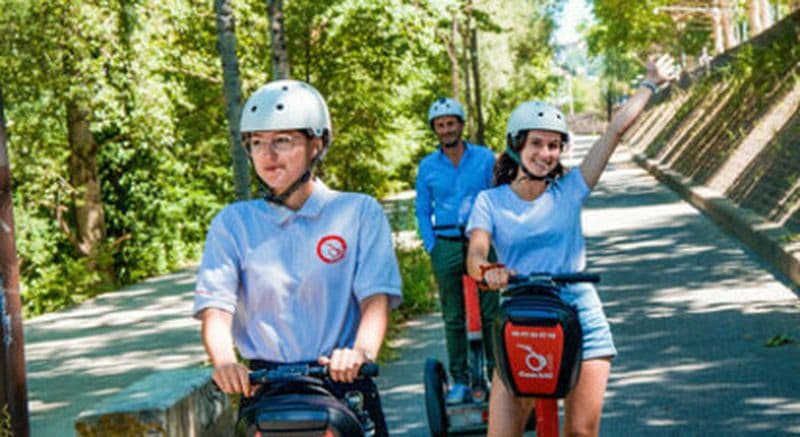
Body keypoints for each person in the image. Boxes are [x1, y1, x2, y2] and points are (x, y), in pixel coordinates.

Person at [465, 55, 678, 436]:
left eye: (554, 146)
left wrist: (650, 83)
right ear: (516, 145)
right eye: (536, 144)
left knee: (581, 433)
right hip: (520, 316)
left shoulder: (570, 190)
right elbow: (476, 253)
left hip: (578, 312)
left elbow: (613, 133)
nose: (546, 154)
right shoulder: (491, 201)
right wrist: (488, 270)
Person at [193, 79, 402, 436]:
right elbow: (216, 308)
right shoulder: (233, 222)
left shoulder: (357, 212)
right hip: (265, 388)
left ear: (316, 145)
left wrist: (360, 353)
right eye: (256, 143)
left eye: (283, 141)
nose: (267, 154)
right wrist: (226, 361)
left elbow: (375, 299)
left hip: (340, 379)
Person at [415, 97, 499, 404]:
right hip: (447, 244)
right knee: (453, 317)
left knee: (491, 313)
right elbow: (422, 210)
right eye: (440, 125)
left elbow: (496, 198)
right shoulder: (427, 167)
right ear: (435, 130)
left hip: (482, 242)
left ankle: (496, 375)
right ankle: (461, 382)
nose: (446, 129)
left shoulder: (484, 158)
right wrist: (432, 246)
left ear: (461, 125)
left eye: (451, 123)